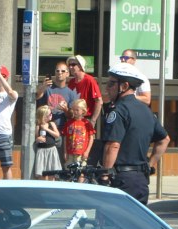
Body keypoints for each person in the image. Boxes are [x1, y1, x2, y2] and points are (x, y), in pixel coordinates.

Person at [100, 62, 169, 204]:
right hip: (141, 180)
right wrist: (150, 165)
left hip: (120, 179)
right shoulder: (146, 111)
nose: (107, 88)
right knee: (134, 225)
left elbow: (113, 145)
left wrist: (105, 175)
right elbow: (165, 140)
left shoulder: (118, 110)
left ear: (124, 86)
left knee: (110, 225)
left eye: (112, 84)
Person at [36, 61, 79, 164]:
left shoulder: (70, 93)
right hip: (45, 130)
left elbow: (72, 116)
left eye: (63, 71)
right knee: (44, 163)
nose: (60, 73)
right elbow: (36, 97)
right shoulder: (48, 89)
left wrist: (65, 110)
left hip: (60, 132)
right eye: (57, 71)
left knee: (58, 163)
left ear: (67, 74)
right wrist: (43, 87)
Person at [67, 55, 103, 129]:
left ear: (80, 66)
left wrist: (93, 120)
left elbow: (99, 101)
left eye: (73, 64)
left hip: (86, 119)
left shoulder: (90, 80)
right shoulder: (71, 82)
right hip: (73, 119)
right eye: (69, 65)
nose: (70, 67)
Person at [63, 99, 95, 166]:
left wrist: (87, 151)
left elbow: (91, 138)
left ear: (83, 111)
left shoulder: (87, 123)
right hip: (70, 153)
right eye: (73, 110)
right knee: (69, 170)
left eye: (77, 110)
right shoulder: (68, 123)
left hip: (81, 153)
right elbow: (65, 138)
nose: (75, 112)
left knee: (81, 171)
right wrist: (65, 152)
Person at [34, 105, 61, 180]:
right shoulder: (38, 126)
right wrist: (37, 139)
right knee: (41, 173)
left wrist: (47, 129)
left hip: (51, 150)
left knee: (52, 172)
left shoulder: (51, 124)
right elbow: (36, 138)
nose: (51, 115)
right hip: (42, 151)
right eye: (49, 114)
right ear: (43, 116)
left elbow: (57, 135)